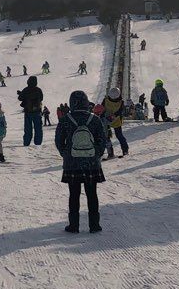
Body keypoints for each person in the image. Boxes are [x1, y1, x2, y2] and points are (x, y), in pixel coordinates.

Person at [54, 90, 107, 233]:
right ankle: (94, 225)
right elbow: (103, 139)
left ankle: (74, 225)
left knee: (74, 195)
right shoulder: (94, 119)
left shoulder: (65, 119)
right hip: (92, 163)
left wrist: (65, 154)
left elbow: (59, 140)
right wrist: (97, 154)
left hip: (72, 164)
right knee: (92, 194)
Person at [18, 75, 44, 146]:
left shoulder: (26, 89)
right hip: (37, 111)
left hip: (28, 112)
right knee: (38, 128)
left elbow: (20, 98)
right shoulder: (38, 90)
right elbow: (41, 98)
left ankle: (26, 143)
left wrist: (21, 94)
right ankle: (38, 143)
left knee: (28, 128)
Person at [103, 86, 129, 156]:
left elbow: (103, 108)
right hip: (113, 120)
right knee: (118, 135)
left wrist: (105, 116)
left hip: (108, 120)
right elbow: (120, 112)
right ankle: (125, 150)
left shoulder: (106, 100)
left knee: (108, 136)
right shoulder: (120, 102)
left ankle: (111, 152)